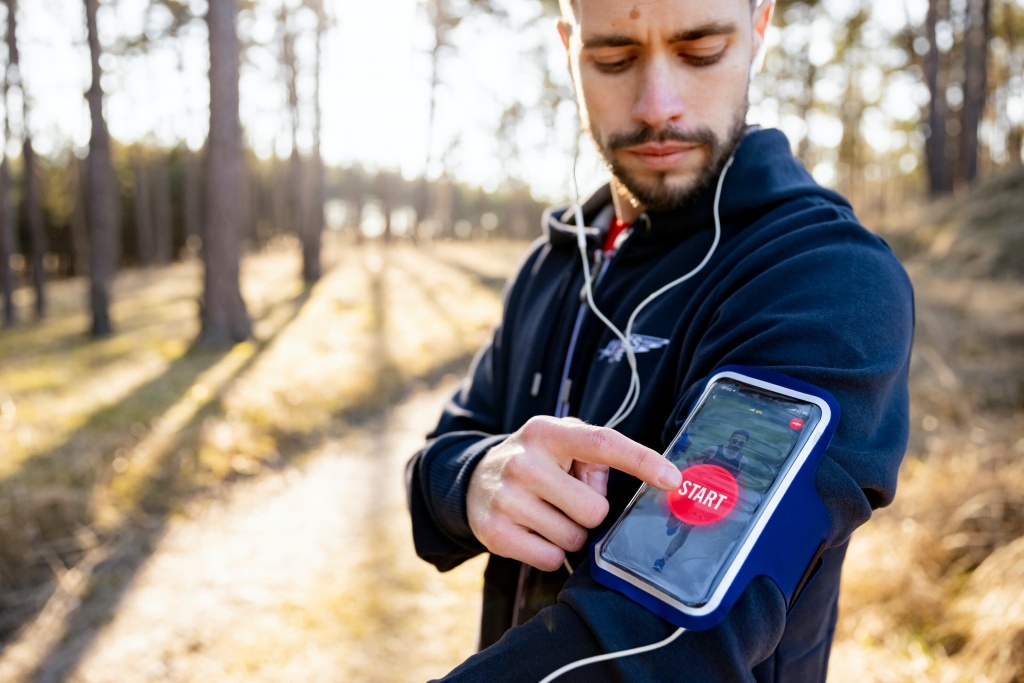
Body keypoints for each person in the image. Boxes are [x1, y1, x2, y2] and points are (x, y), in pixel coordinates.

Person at [405, 0, 914, 679]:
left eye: (700, 51)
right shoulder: (556, 262)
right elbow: (431, 469)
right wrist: (474, 477)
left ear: (758, 30)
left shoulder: (827, 278)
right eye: (613, 58)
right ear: (568, 47)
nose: (657, 105)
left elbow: (664, 638)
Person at [653, 430, 751, 572]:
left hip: (710, 498)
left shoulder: (743, 461)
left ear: (745, 445)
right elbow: (691, 459)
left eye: (741, 443)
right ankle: (672, 525)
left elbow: (733, 479)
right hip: (694, 490)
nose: (736, 445)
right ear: (730, 439)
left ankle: (663, 560)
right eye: (734, 441)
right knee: (672, 522)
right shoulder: (714, 450)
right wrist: (700, 474)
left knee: (686, 529)